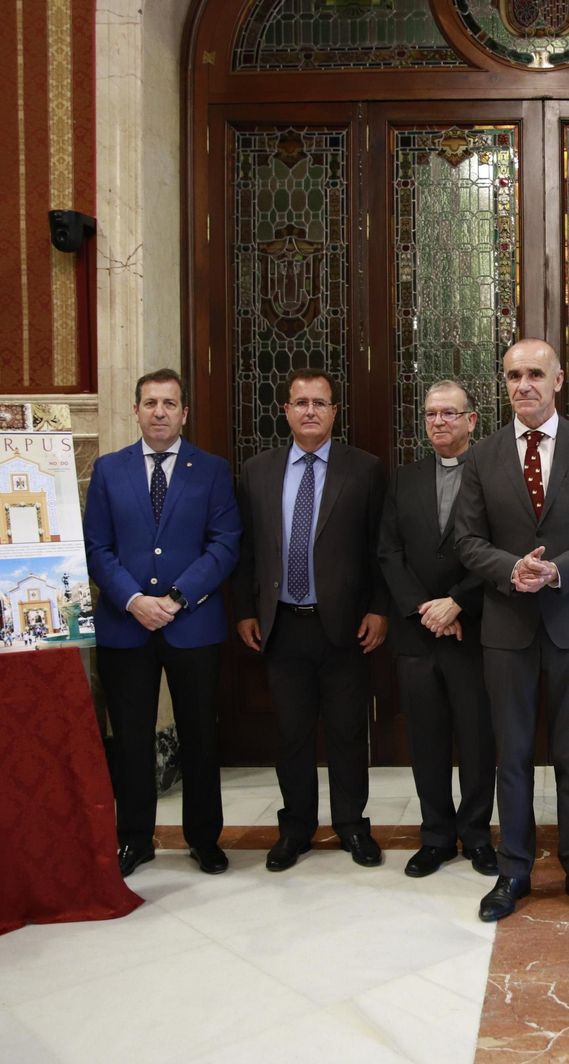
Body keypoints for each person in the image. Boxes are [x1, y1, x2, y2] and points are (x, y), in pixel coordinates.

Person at [455, 338, 569, 923]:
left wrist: (555, 571)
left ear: (558, 380)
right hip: (507, 626)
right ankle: (514, 869)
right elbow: (467, 539)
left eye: (534, 373)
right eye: (512, 375)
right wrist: (511, 569)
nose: (523, 384)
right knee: (513, 756)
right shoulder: (482, 456)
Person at [84, 369, 242, 877]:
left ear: (184, 413)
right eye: (150, 402)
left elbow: (225, 544)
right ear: (135, 411)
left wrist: (175, 598)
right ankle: (134, 838)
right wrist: (133, 599)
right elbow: (96, 547)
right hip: (125, 624)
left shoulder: (212, 470)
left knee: (200, 736)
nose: (159, 412)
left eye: (169, 403)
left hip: (192, 624)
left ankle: (204, 838)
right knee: (131, 739)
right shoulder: (109, 470)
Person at [234, 369, 389, 873]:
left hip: (345, 625)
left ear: (334, 412)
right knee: (292, 734)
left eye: (320, 403)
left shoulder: (364, 469)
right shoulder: (257, 471)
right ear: (285, 410)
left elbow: (381, 547)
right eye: (300, 402)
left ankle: (352, 825)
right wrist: (245, 610)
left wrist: (379, 608)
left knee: (348, 732)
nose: (310, 411)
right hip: (281, 623)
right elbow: (246, 549)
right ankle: (296, 828)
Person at [377, 380, 498, 879]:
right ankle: (436, 837)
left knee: (477, 740)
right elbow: (389, 550)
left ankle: (477, 835)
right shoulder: (403, 478)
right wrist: (424, 609)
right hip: (417, 632)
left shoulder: (495, 473)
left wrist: (458, 603)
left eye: (449, 413)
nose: (438, 422)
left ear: (471, 420)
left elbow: (502, 547)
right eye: (431, 414)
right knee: (425, 741)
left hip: (475, 630)